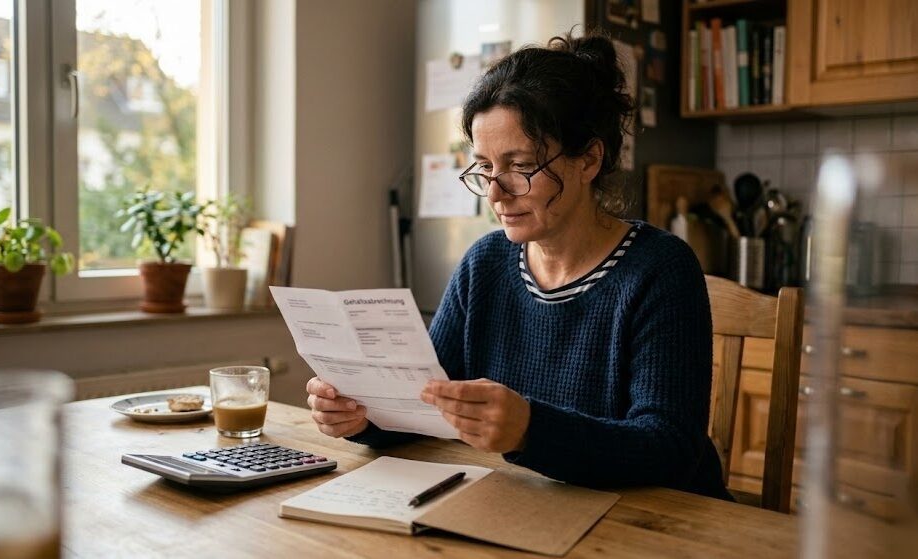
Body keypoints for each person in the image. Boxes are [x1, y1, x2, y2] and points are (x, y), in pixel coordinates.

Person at [306, 32, 731, 500]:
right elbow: (427, 407)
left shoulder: (659, 270)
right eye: (485, 168)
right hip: (532, 503)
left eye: (520, 166)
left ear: (589, 158)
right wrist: (364, 416)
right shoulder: (484, 264)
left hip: (662, 524)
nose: (495, 192)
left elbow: (669, 449)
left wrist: (530, 430)